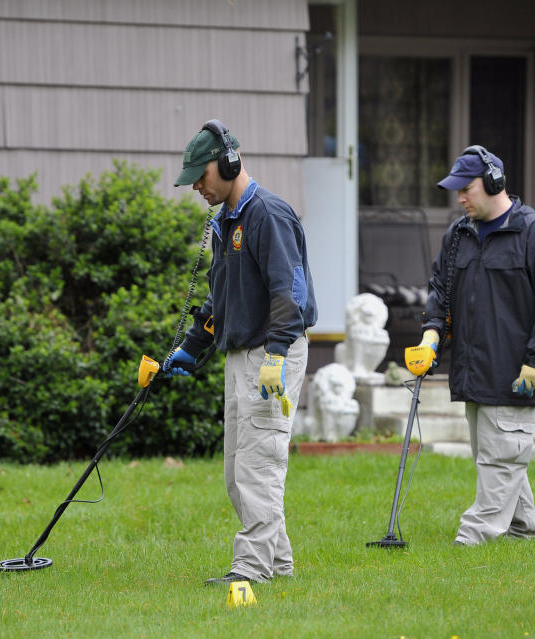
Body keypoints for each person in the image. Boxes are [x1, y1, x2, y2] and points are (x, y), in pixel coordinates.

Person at [164, 120, 317, 584]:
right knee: (238, 471)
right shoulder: (226, 221)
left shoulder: (268, 214)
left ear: (229, 162)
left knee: (259, 464)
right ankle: (279, 563)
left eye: (200, 175)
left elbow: (290, 291)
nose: (195, 185)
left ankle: (251, 570)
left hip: (272, 354)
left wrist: (275, 354)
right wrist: (192, 347)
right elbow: (220, 296)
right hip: (241, 354)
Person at [411, 145, 535, 546]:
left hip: (517, 372)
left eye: (466, 189)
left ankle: (474, 535)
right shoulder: (458, 235)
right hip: (473, 372)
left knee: (501, 458)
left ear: (494, 183)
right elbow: (440, 293)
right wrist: (432, 336)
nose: (460, 198)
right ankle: (524, 530)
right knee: (495, 456)